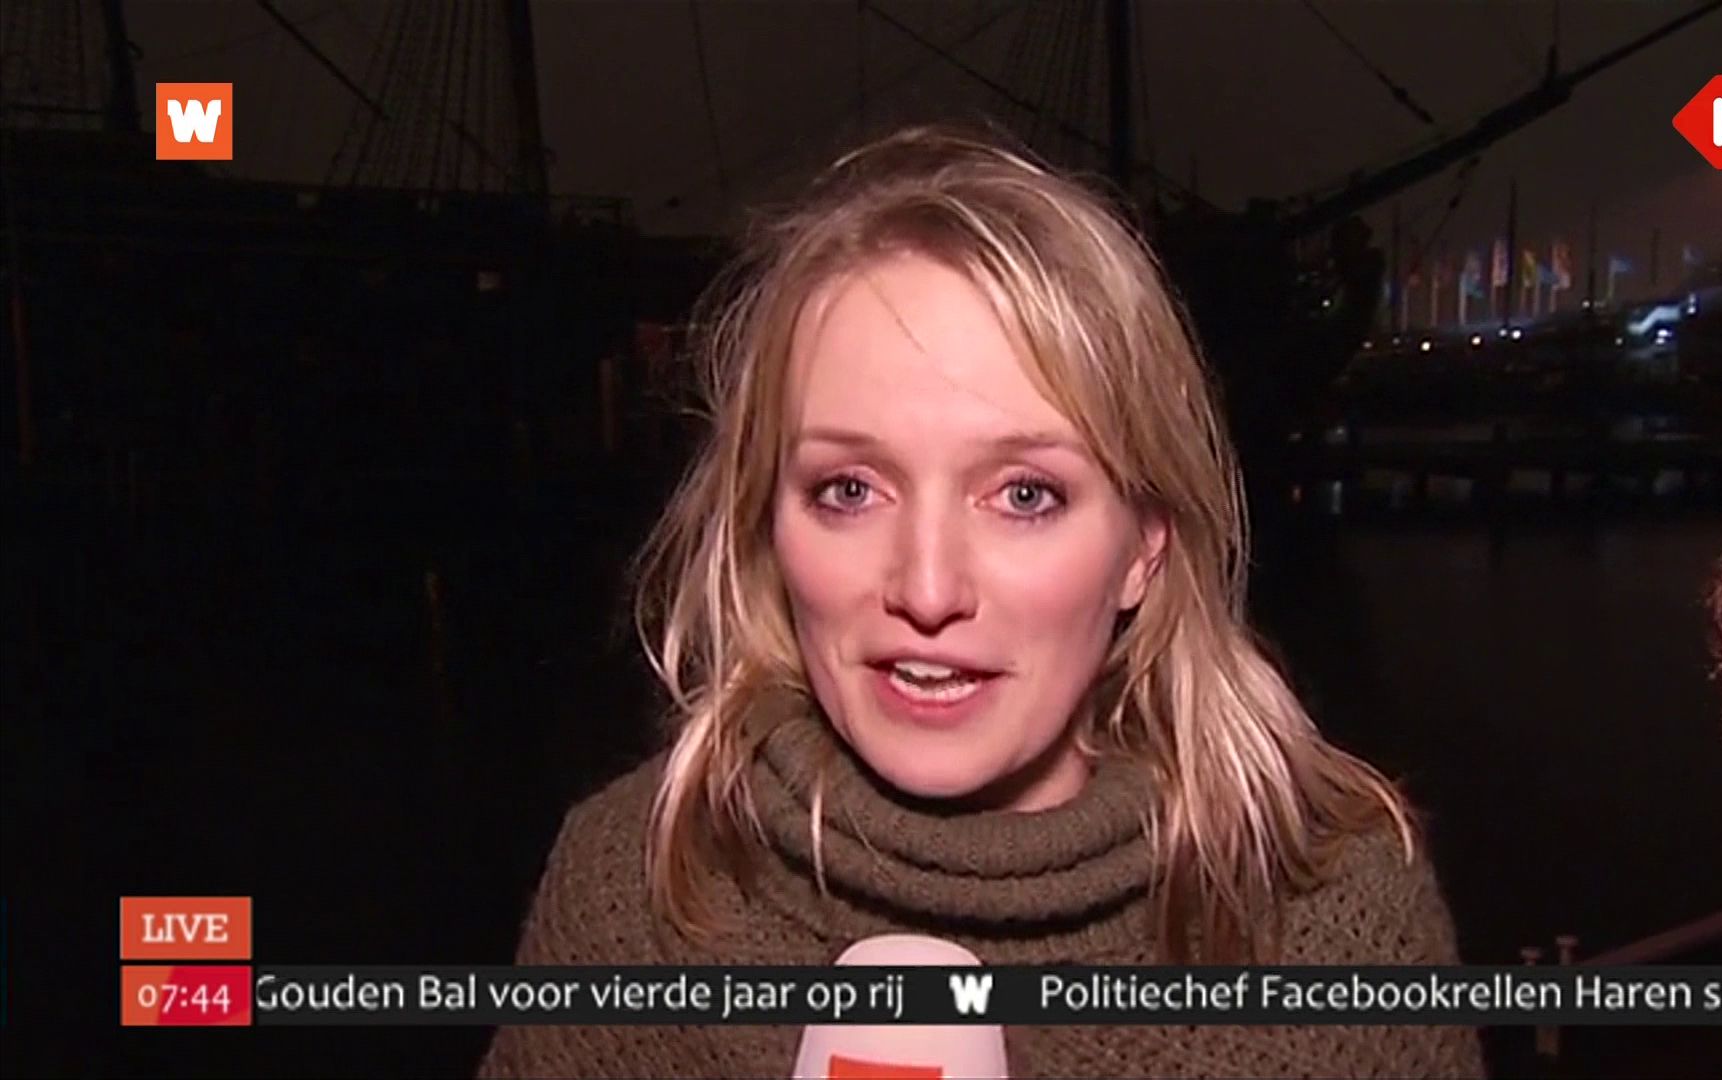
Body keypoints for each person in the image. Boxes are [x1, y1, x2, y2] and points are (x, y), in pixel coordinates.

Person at [478, 125, 1484, 1079]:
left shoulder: (1337, 929)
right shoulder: (628, 884)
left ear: (1143, 547)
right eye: (849, 490)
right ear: (766, 526)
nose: (927, 590)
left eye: (1025, 496)